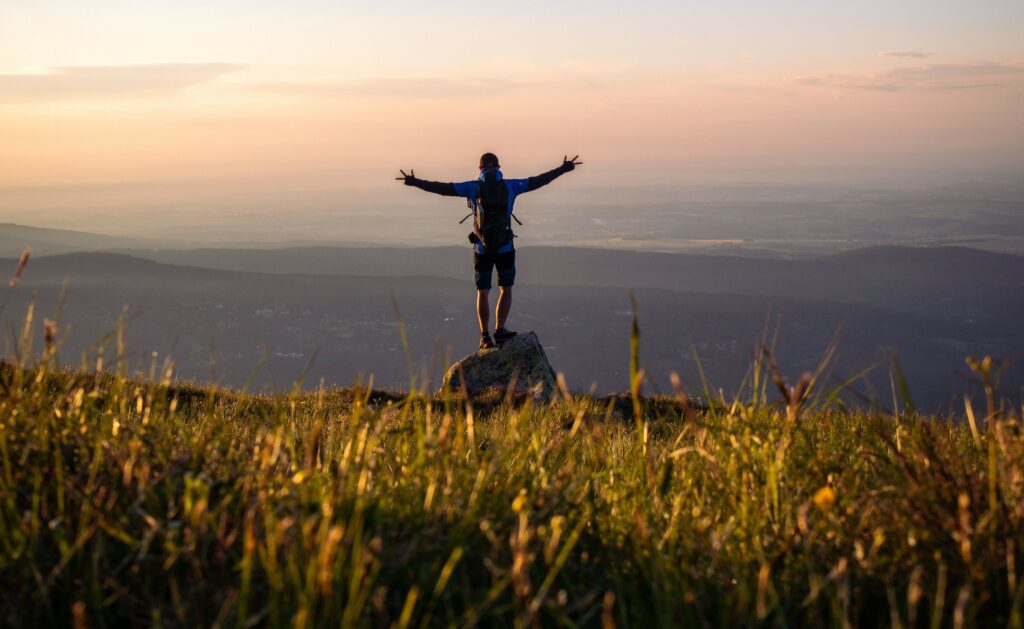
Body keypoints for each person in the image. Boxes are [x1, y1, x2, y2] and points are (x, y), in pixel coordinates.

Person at [397, 152, 582, 349]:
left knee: (483, 292)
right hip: (505, 247)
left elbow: (443, 189)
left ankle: (485, 337)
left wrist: (414, 182)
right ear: (499, 167)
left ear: (480, 168)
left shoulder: (472, 187)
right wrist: (563, 168)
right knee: (506, 289)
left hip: (481, 248)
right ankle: (500, 330)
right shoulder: (511, 186)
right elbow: (539, 181)